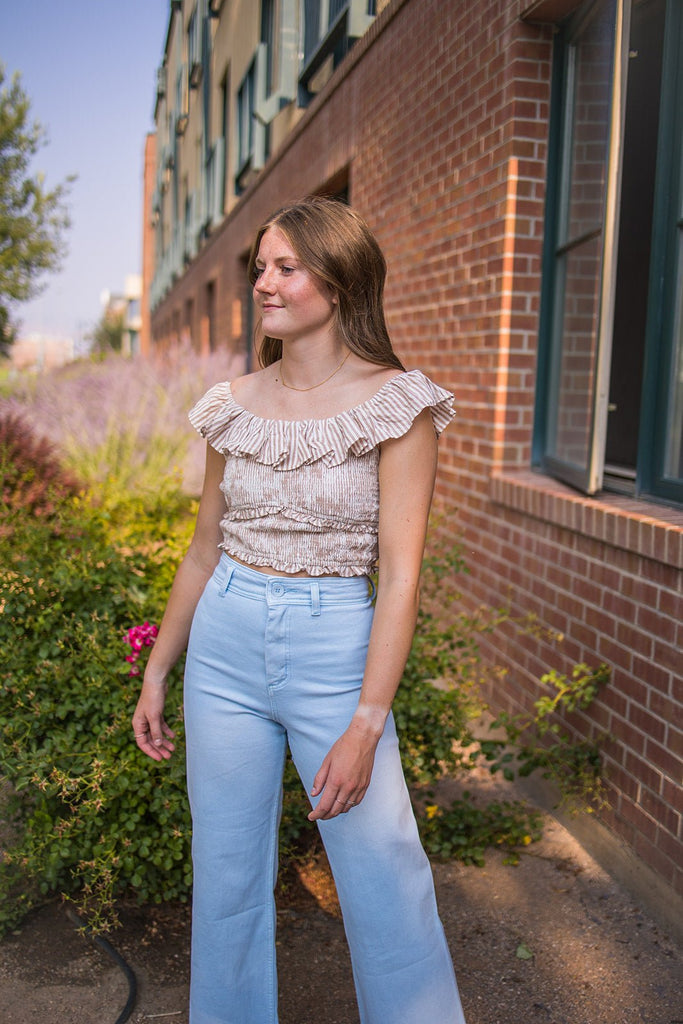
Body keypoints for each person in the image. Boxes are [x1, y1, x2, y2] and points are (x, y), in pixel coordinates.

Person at [132, 195, 467, 1024]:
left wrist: (365, 723)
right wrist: (158, 669)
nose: (265, 284)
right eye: (259, 269)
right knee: (227, 875)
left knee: (384, 870)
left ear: (340, 278)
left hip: (334, 647)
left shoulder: (398, 405)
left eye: (286, 267)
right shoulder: (230, 405)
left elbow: (399, 577)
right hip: (224, 644)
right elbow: (205, 547)